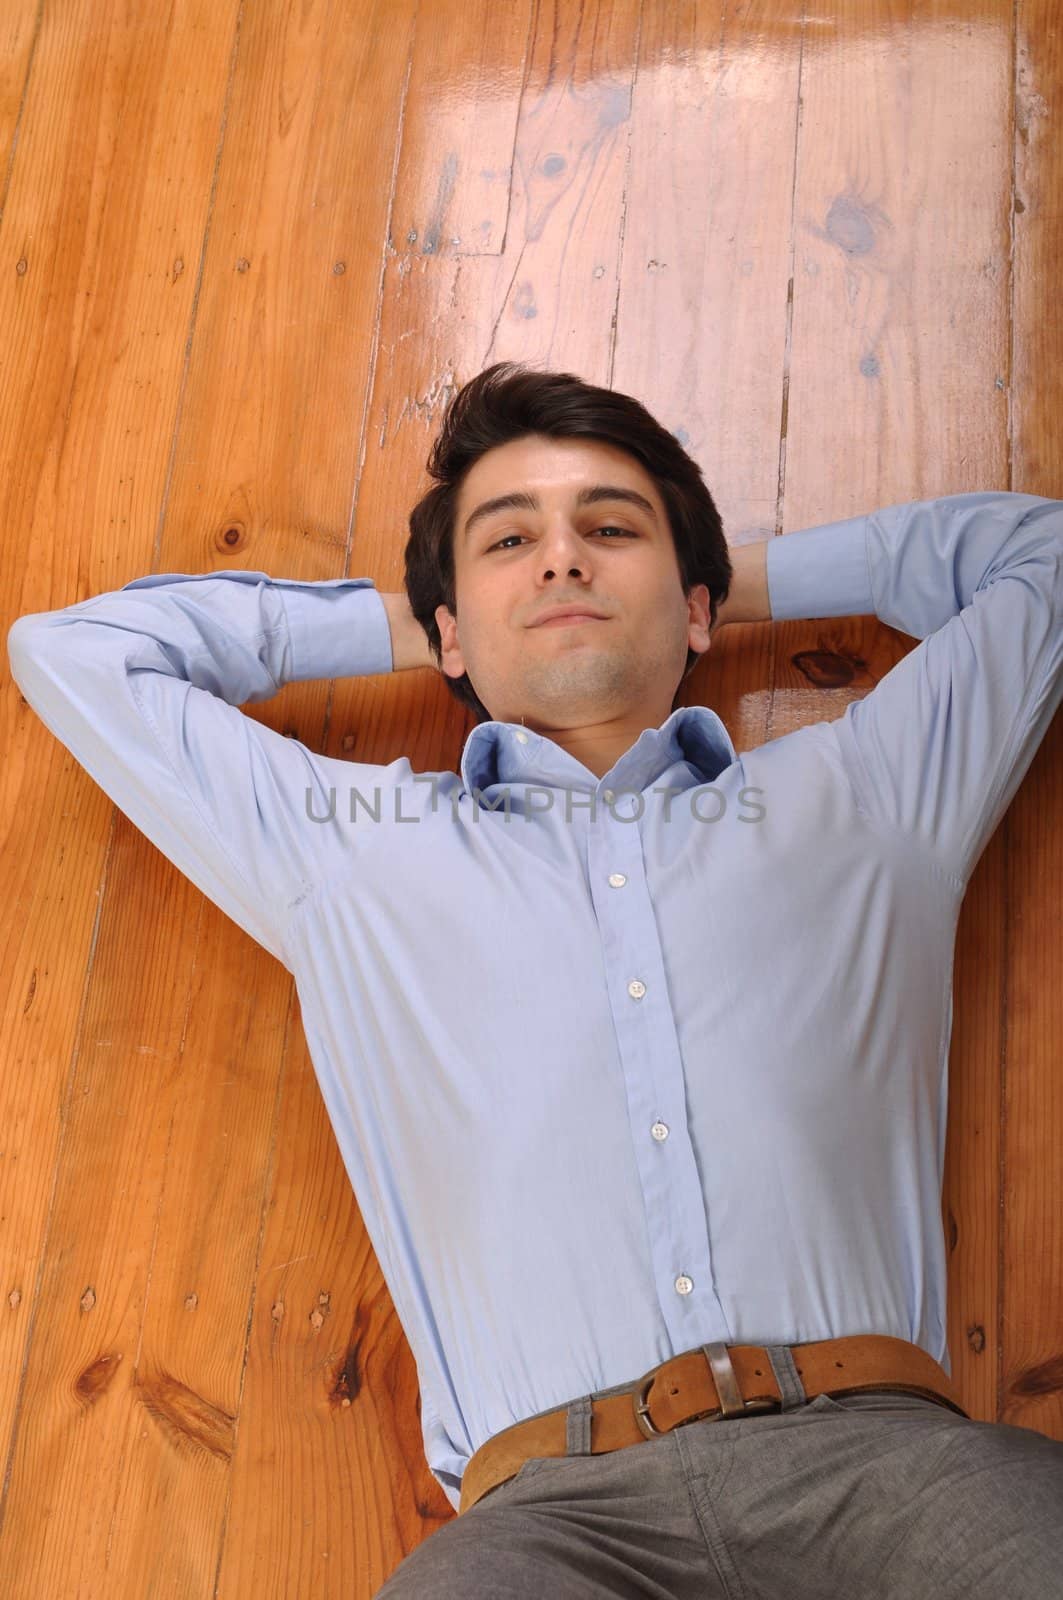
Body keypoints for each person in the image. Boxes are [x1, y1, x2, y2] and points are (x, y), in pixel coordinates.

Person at [7, 362, 1063, 1598]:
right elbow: (75, 653)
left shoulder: (865, 792)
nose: (562, 560)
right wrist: (411, 617)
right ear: (448, 634)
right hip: (551, 1526)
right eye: (510, 541)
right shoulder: (349, 844)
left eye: (610, 530)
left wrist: (715, 576)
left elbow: (1039, 560)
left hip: (889, 1471)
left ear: (698, 607)